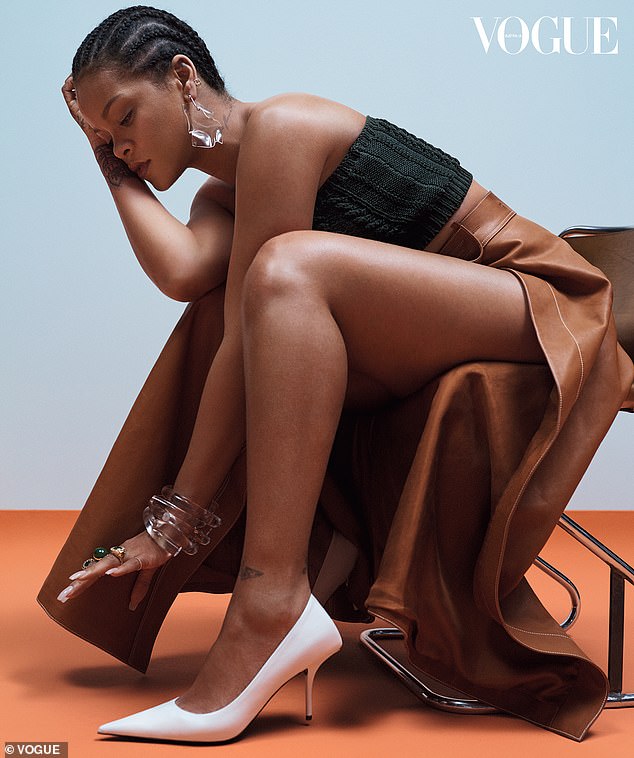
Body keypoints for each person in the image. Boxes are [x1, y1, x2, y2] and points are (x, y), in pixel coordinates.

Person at [42, 4, 633, 745]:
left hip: (538, 300)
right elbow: (186, 275)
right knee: (238, 300)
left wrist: (173, 521)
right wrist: (103, 158)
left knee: (283, 274)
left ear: (182, 78)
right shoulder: (218, 196)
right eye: (106, 138)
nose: (123, 146)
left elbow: (249, 332)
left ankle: (273, 604)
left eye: (124, 119)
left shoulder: (283, 128)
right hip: (438, 328)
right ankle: (335, 541)